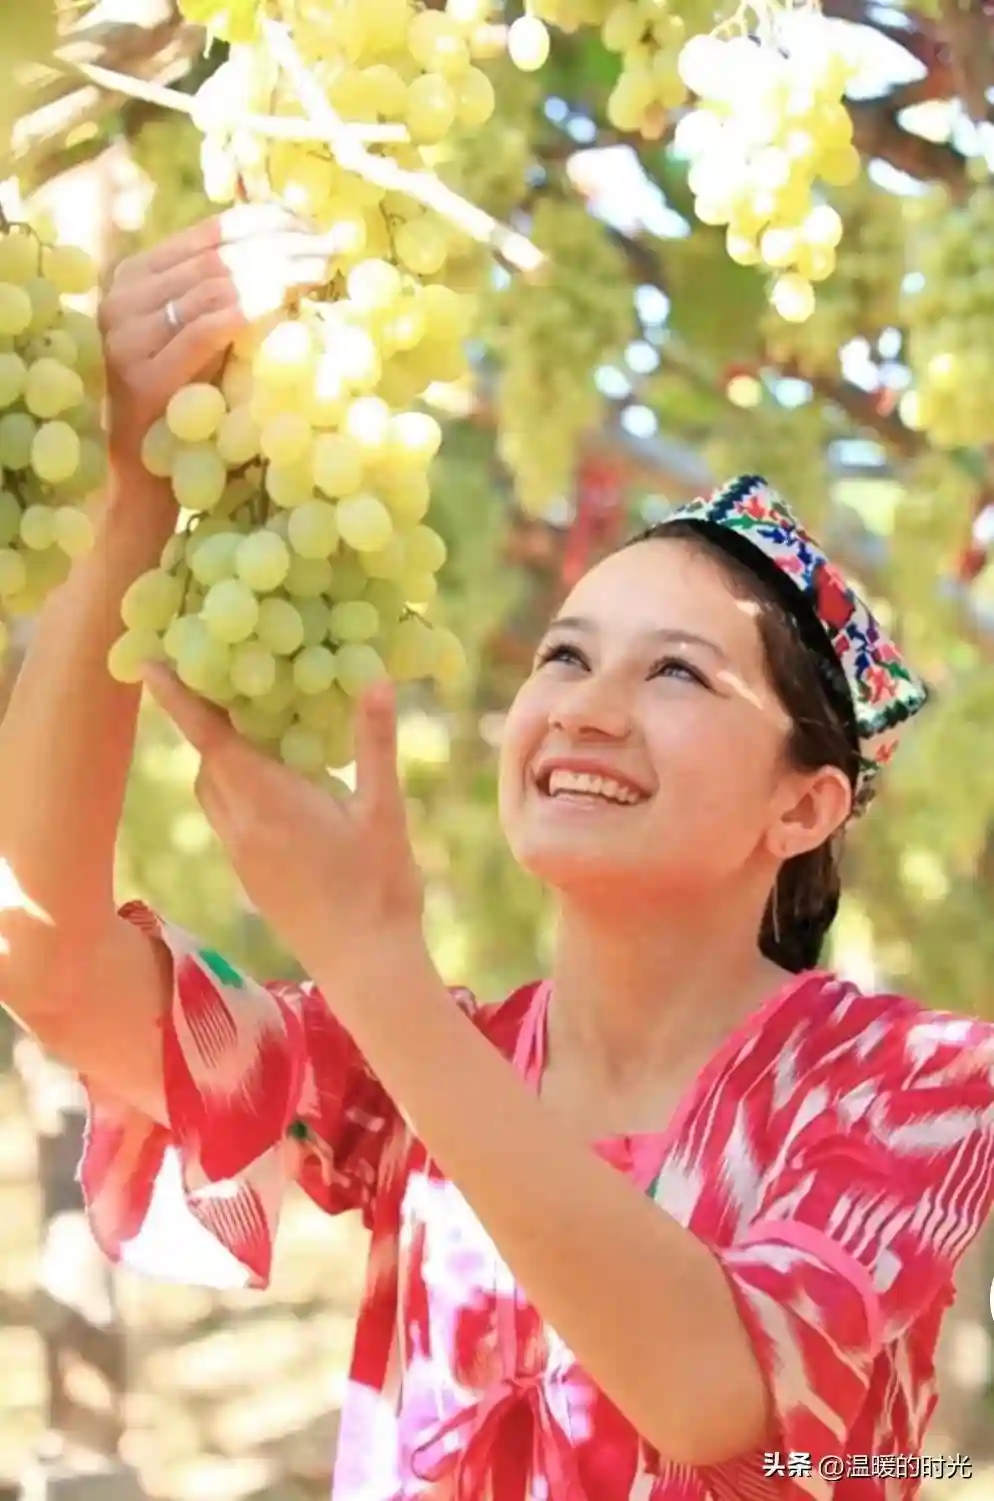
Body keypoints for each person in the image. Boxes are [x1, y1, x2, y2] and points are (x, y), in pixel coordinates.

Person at [0, 207, 992, 1501]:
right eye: (564, 654)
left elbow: (714, 1393)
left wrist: (369, 962)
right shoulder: (400, 1071)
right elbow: (44, 954)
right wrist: (131, 497)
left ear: (802, 809)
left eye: (676, 672)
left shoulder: (907, 1087)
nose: (581, 704)